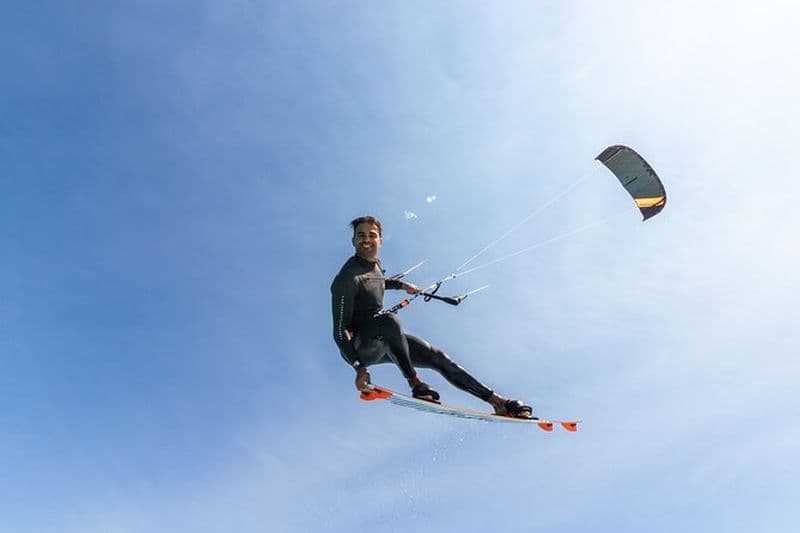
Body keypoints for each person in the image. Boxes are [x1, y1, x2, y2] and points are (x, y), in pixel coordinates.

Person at [330, 215, 534, 419]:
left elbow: (377, 280)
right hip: (359, 346)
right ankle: (415, 383)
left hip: (385, 337)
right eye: (361, 235)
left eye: (372, 235)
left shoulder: (375, 264)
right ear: (353, 240)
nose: (366, 239)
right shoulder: (347, 278)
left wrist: (401, 285)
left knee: (437, 357)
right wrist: (359, 367)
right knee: (390, 321)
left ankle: (498, 403)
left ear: (380, 240)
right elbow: (339, 332)